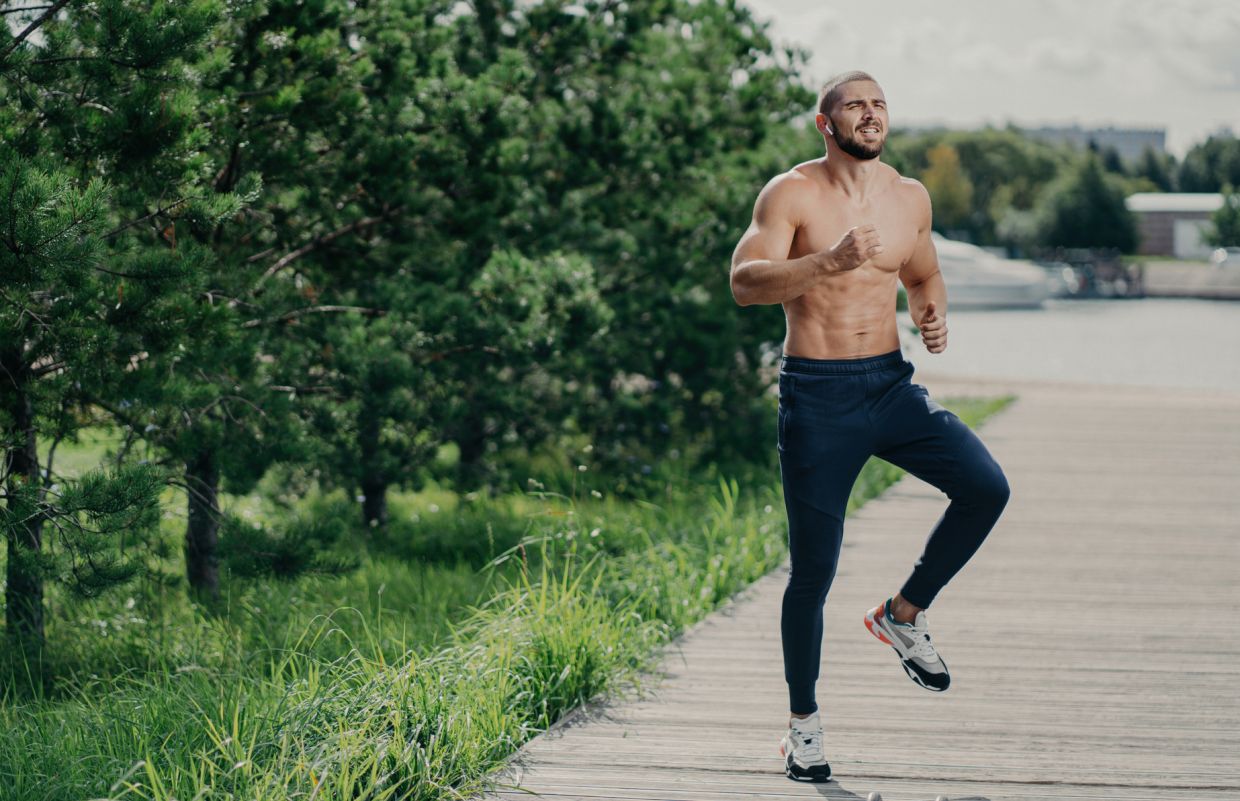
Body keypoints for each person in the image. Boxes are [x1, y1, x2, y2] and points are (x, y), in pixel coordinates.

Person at [730, 71, 1011, 783]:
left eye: (879, 103)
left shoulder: (909, 197)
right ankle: (803, 727)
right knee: (814, 572)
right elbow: (744, 282)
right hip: (817, 396)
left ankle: (903, 613)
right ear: (826, 124)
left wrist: (930, 310)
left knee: (986, 486)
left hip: (889, 385)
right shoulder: (790, 192)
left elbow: (923, 273)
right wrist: (827, 261)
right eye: (855, 105)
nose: (870, 113)